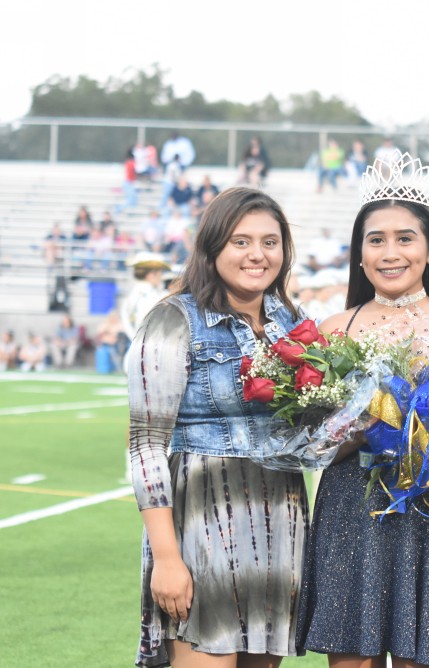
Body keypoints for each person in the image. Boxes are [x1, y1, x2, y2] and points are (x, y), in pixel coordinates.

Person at [296, 153, 429, 667]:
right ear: (359, 255)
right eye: (376, 239)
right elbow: (309, 441)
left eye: (405, 238)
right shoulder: (331, 329)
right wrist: (356, 431)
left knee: (421, 657)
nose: (390, 251)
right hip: (350, 512)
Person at [127, 187, 310, 667]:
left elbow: (309, 426)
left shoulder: (294, 324)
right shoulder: (172, 320)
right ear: (212, 248)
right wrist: (167, 558)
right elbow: (145, 445)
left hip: (279, 521)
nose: (257, 255)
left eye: (270, 242)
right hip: (201, 526)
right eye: (241, 241)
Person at [120, 252, 171, 341]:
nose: (161, 277)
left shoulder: (133, 294)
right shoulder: (150, 295)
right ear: (151, 275)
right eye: (159, 273)